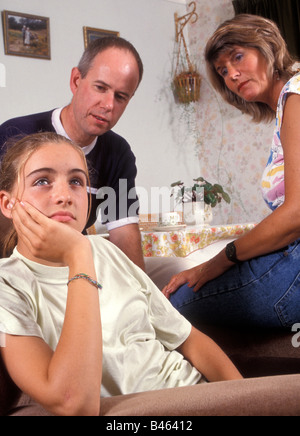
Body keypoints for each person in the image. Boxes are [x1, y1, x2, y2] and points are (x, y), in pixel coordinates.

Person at [0, 132, 242, 416]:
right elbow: (74, 402)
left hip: (199, 395)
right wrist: (78, 255)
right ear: (7, 204)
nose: (64, 196)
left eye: (76, 182)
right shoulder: (8, 285)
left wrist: (244, 401)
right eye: (42, 181)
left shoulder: (107, 252)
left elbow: (189, 340)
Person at [163, 14, 300, 329]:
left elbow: (295, 215)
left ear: (267, 46)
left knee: (174, 303)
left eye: (238, 57)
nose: (233, 74)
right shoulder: (287, 103)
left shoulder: (297, 93)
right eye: (223, 70)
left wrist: (215, 264)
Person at [0, 36, 145, 270]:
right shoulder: (13, 133)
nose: (108, 105)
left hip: (70, 268)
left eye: (120, 97)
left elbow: (124, 230)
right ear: (76, 80)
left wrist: (142, 293)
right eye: (100, 88)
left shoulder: (118, 153)